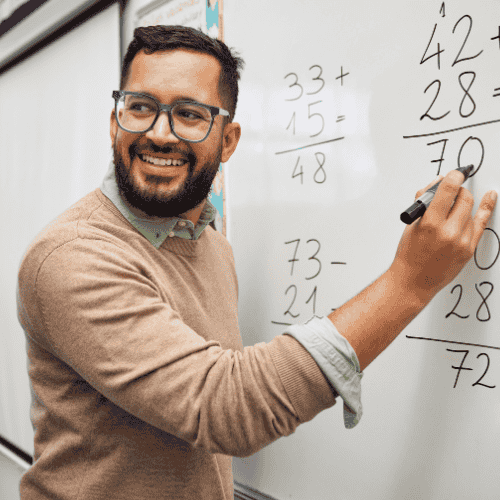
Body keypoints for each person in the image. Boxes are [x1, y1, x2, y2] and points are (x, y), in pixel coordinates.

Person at [16, 25, 497, 500]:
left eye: (189, 114)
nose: (159, 133)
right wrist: (409, 282)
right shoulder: (72, 256)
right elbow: (225, 407)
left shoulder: (212, 247)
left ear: (228, 140)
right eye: (140, 107)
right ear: (114, 120)